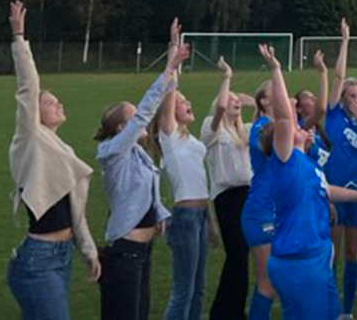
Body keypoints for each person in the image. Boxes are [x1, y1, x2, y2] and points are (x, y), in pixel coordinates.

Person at [256, 43, 357, 319]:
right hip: (299, 261)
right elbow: (283, 118)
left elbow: (326, 189)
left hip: (316, 255)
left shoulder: (306, 162)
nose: (300, 127)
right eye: (294, 128)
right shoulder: (286, 161)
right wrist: (276, 70)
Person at [6, 0, 101, 319]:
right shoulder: (29, 138)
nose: (58, 105)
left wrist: (89, 251)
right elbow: (28, 86)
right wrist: (19, 38)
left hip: (61, 256)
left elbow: (76, 213)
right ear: (35, 113)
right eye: (49, 103)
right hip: (39, 259)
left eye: (58, 101)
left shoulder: (63, 151)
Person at [95, 19, 186, 320]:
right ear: (121, 128)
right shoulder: (112, 152)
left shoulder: (137, 154)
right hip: (125, 253)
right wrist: (168, 67)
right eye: (133, 118)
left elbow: (167, 94)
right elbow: (148, 109)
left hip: (143, 251)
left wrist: (173, 50)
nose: (141, 120)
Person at [150, 46, 211, 320]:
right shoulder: (169, 135)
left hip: (201, 215)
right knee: (183, 290)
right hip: (185, 217)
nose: (188, 104)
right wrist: (173, 56)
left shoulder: (188, 138)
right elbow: (169, 91)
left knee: (198, 289)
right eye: (182, 101)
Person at [325, 21, 357, 320]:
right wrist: (345, 40)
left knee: (352, 254)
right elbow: (339, 76)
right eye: (352, 96)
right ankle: (331, 308)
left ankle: (347, 311)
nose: (356, 100)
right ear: (343, 97)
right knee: (332, 254)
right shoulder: (333, 114)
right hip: (334, 193)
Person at [200, 57, 256, 320]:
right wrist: (227, 76)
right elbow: (221, 106)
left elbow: (268, 120)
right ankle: (226, 311)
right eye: (230, 98)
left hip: (246, 196)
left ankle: (229, 310)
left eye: (237, 99)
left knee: (241, 256)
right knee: (236, 255)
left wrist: (255, 102)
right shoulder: (211, 129)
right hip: (227, 199)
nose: (235, 101)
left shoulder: (244, 131)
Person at [239, 80, 277, 320]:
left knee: (274, 282)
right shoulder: (261, 127)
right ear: (264, 101)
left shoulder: (278, 125)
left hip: (275, 209)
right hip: (261, 211)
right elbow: (271, 149)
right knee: (267, 285)